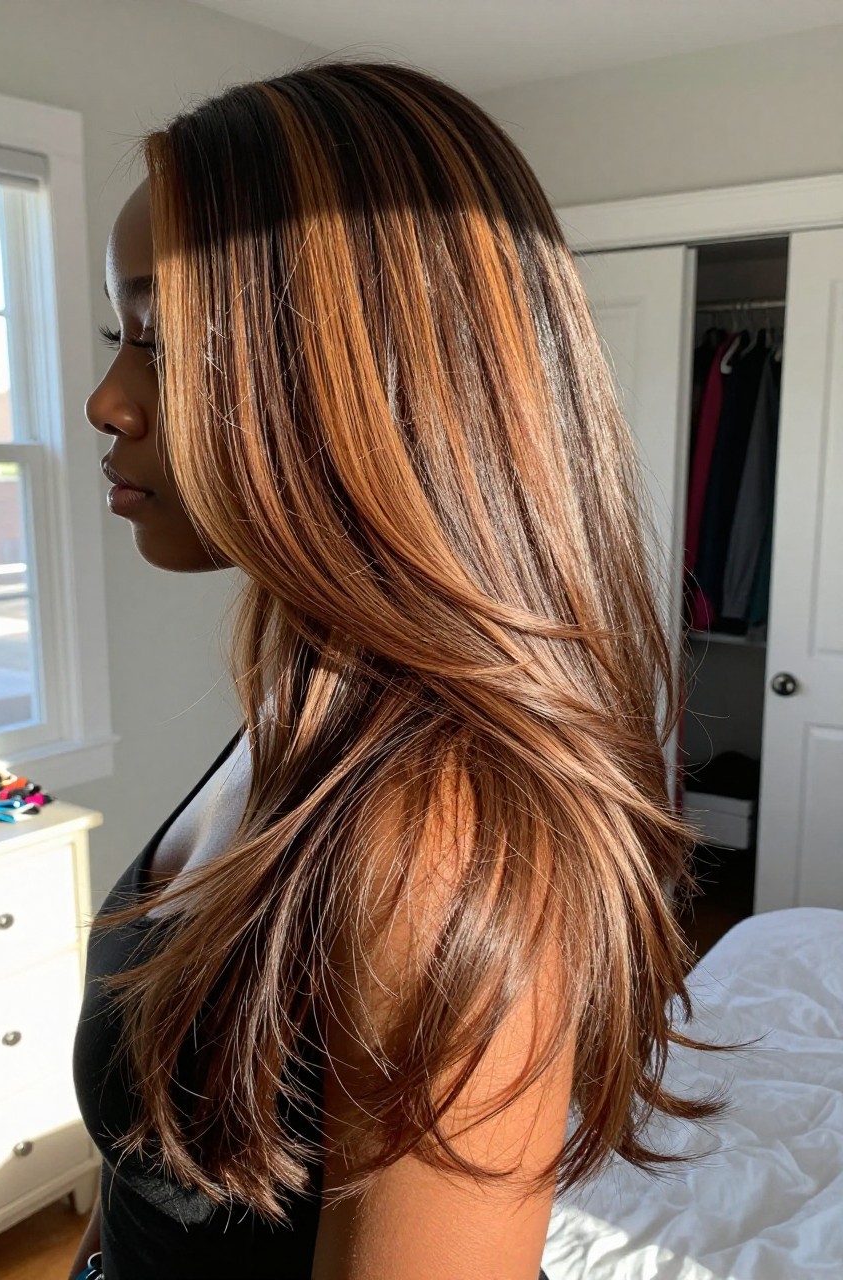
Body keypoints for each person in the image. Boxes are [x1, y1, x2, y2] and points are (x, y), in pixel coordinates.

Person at [72, 59, 729, 1280]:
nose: (108, 400)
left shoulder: (434, 839)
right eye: (120, 334)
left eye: (160, 339)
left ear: (361, 376)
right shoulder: (304, 711)